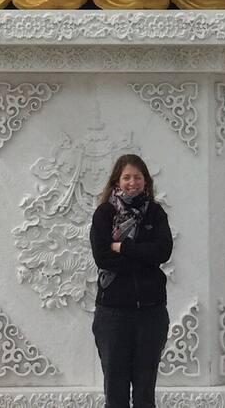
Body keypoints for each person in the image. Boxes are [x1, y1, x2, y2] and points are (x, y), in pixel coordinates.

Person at [90, 154, 173, 408]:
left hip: (151, 314)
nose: (132, 182)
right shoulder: (105, 213)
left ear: (145, 181)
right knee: (115, 392)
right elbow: (102, 256)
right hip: (113, 315)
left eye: (137, 177)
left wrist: (123, 247)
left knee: (144, 392)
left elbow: (163, 251)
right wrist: (143, 256)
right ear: (117, 180)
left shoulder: (155, 213)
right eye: (127, 177)